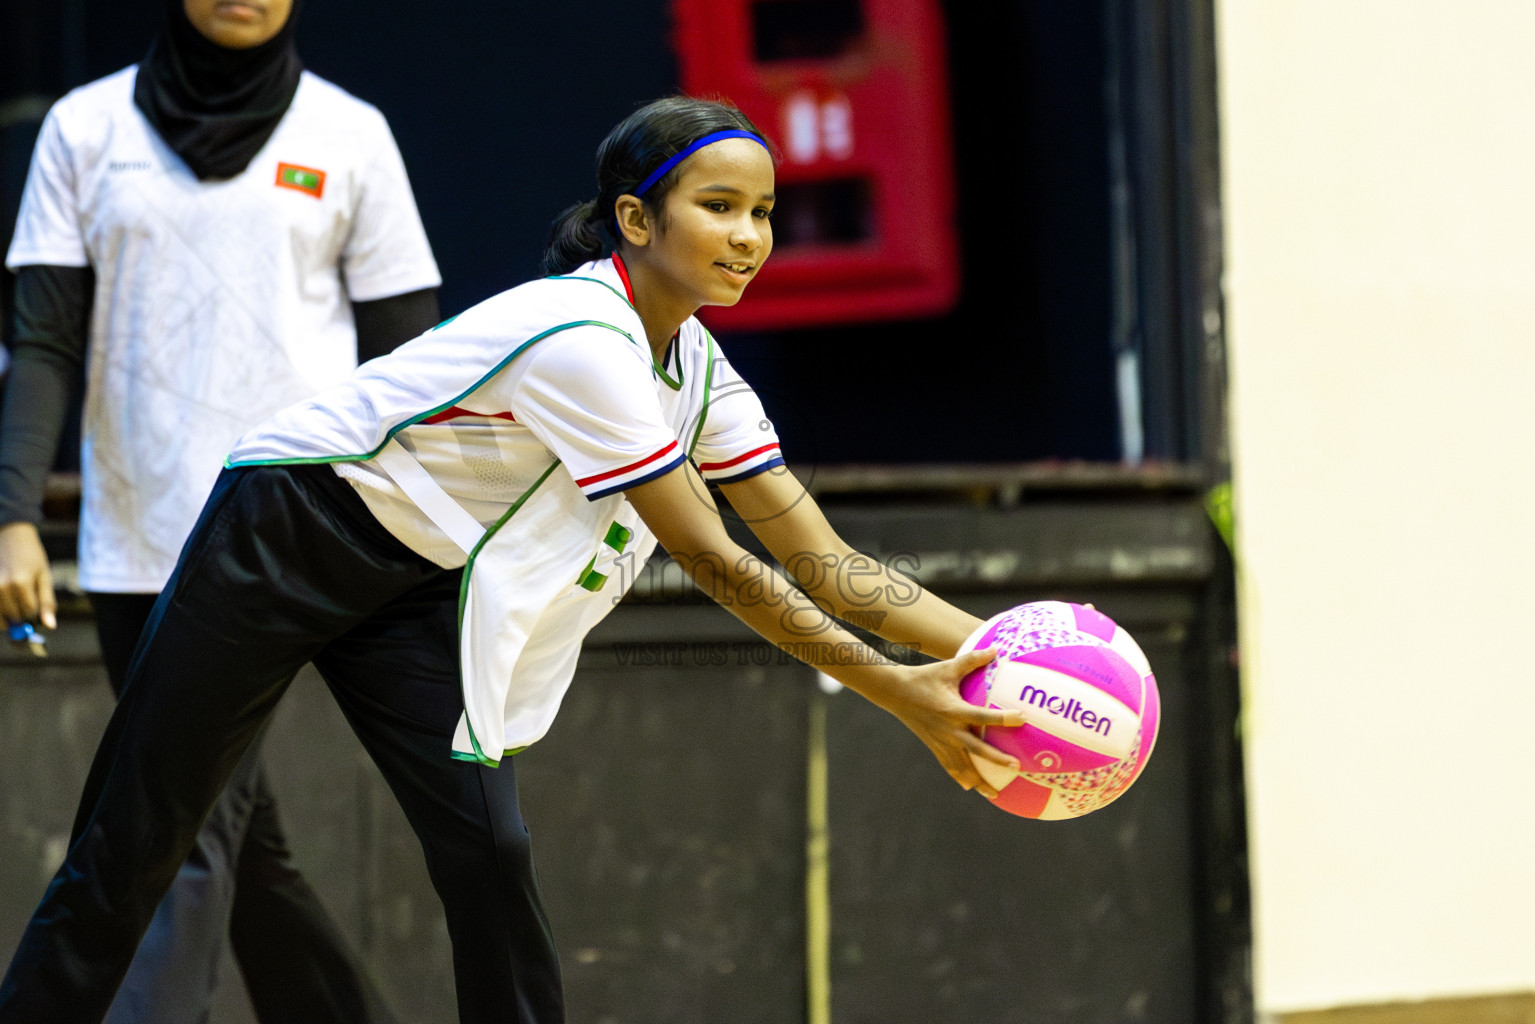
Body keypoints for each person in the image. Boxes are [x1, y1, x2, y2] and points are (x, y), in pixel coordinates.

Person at [0, 95, 1025, 1024]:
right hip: (287, 527)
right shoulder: (581, 338)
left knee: (488, 849)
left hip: (412, 583)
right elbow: (712, 557)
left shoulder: (698, 368)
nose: (748, 236)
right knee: (136, 841)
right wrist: (903, 694)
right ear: (635, 220)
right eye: (719, 207)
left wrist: (1004, 656)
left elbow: (819, 554)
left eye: (761, 213)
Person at [0, 0, 442, 1020]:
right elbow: (44, 341)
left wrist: (411, 537)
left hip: (295, 542)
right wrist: (14, 511)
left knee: (182, 830)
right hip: (137, 546)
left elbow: (410, 363)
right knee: (239, 839)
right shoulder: (83, 128)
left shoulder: (349, 132)